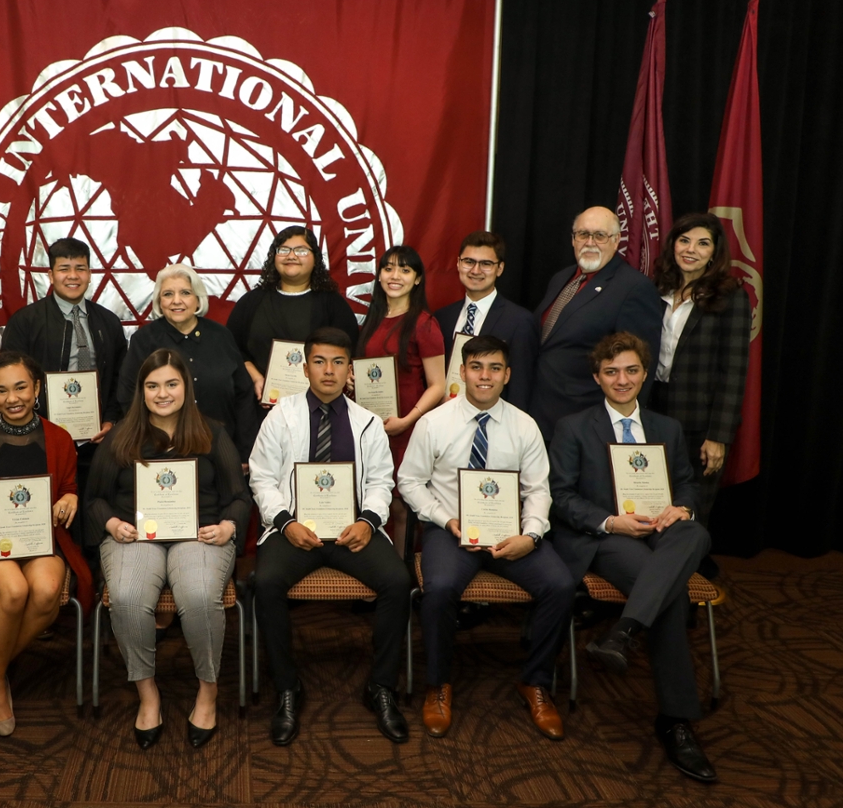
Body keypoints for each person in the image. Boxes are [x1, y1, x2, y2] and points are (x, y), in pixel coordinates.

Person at [548, 332, 715, 782]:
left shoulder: (667, 428)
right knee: (670, 594)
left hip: (662, 531)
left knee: (694, 530)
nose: (622, 380)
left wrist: (681, 506)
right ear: (598, 377)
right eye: (612, 372)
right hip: (607, 538)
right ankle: (676, 721)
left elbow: (686, 482)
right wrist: (609, 521)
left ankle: (623, 631)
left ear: (644, 373)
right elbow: (560, 497)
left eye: (631, 370)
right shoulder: (574, 427)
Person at [398, 335, 574, 741]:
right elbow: (409, 481)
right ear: (461, 372)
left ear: (507, 375)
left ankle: (534, 681)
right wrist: (445, 519)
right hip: (452, 531)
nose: (485, 376)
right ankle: (438, 683)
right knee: (438, 587)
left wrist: (530, 535)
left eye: (495, 368)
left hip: (510, 531)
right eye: (476, 367)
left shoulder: (524, 425)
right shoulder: (433, 423)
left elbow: (538, 491)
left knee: (561, 585)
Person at [248, 327, 410, 746]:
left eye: (338, 362)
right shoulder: (280, 416)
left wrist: (368, 522)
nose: (328, 371)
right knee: (265, 584)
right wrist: (285, 522)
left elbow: (380, 482)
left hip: (351, 529)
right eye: (319, 361)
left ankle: (381, 686)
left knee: (397, 582)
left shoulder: (367, 423)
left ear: (349, 369)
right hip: (294, 528)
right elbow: (262, 478)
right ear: (304, 367)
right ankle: (287, 687)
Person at [88, 348, 250, 749]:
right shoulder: (122, 435)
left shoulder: (213, 431)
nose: (162, 393)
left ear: (186, 386)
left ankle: (207, 690)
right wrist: (112, 523)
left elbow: (238, 495)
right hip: (134, 536)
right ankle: (147, 694)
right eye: (152, 385)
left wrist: (229, 526)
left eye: (171, 384)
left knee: (197, 596)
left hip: (201, 534)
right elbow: (94, 498)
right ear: (141, 391)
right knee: (125, 597)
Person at [0, 351, 94, 736]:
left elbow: (68, 488)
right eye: (1, 391)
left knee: (46, 592)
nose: (13, 398)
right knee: (13, 591)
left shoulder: (59, 439)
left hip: (44, 540)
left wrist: (70, 499)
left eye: (21, 387)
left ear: (37, 388)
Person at [1, 237, 128, 557]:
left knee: (94, 508)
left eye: (80, 268)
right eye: (64, 268)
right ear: (50, 274)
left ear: (90, 274)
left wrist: (112, 420)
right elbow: (10, 379)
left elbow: (120, 381)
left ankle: (95, 573)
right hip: (40, 439)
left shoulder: (108, 323)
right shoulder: (26, 321)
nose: (73, 276)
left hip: (97, 441)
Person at [649, 213, 750, 536]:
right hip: (650, 408)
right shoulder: (655, 289)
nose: (691, 249)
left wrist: (718, 435)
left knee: (690, 505)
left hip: (698, 419)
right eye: (684, 240)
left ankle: (690, 574)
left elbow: (734, 369)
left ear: (715, 251)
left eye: (702, 243)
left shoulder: (731, 295)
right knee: (649, 496)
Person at [530, 207, 661, 441]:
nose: (590, 242)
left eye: (600, 236)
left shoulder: (633, 288)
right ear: (573, 239)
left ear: (616, 241)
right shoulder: (562, 277)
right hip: (540, 418)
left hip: (588, 427)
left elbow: (639, 365)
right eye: (583, 234)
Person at [354, 245, 445, 552]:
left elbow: (438, 385)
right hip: (371, 425)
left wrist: (408, 420)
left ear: (417, 279)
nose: (395, 276)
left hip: (406, 426)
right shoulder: (373, 318)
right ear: (379, 275)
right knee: (372, 498)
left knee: (401, 504)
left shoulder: (424, 323)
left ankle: (403, 578)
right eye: (389, 268)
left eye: (405, 270)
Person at [117, 263, 258, 461]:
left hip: (221, 450)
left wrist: (244, 453)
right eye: (167, 294)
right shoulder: (145, 340)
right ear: (159, 301)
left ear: (198, 299)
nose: (176, 301)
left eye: (185, 293)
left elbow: (244, 396)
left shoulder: (221, 336)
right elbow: (128, 395)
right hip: (162, 451)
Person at [226, 226, 360, 409]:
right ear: (274, 257)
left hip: (319, 409)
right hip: (260, 408)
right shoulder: (252, 302)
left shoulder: (333, 304)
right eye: (283, 250)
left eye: (301, 250)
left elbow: (347, 353)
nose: (291, 256)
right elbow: (231, 349)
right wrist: (257, 379)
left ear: (315, 259)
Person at [434, 231, 539, 411]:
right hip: (446, 420)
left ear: (500, 268)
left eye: (486, 264)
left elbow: (520, 389)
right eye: (469, 262)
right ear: (458, 264)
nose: (476, 270)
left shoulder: (520, 321)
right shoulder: (442, 317)